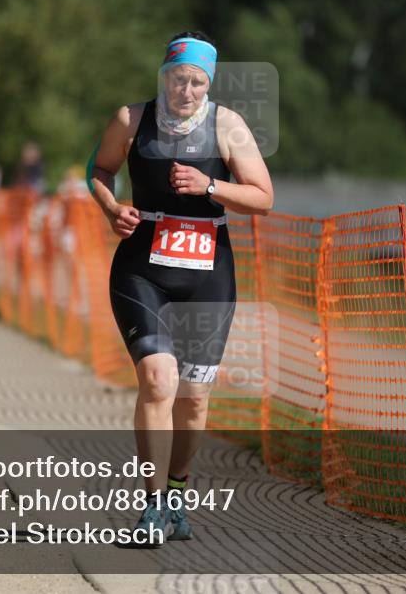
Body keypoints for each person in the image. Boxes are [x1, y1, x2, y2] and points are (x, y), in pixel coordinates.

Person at [88, 31, 273, 545]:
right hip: (142, 270)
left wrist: (209, 185)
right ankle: (151, 509)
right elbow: (99, 168)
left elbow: (263, 197)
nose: (185, 90)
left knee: (192, 398)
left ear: (208, 83)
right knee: (157, 380)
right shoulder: (131, 119)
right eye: (176, 79)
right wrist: (111, 207)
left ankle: (175, 495)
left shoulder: (227, 126)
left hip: (208, 276)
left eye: (196, 81)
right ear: (163, 77)